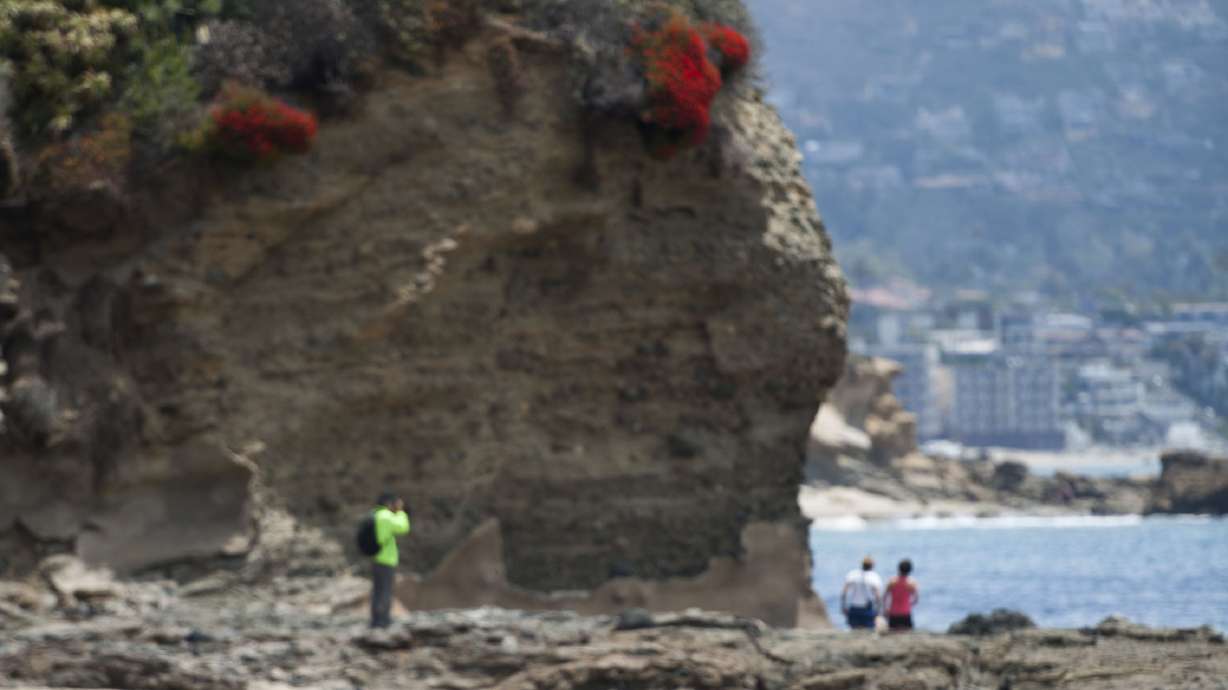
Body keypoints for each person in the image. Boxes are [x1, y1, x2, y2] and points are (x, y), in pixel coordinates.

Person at [370, 493, 411, 628]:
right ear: (388, 503)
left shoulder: (374, 515)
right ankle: (383, 620)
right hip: (386, 559)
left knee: (377, 591)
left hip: (376, 558)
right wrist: (401, 511)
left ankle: (376, 619)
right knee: (385, 591)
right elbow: (403, 527)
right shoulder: (386, 516)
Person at [841, 555, 883, 630]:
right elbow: (878, 596)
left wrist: (843, 606)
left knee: (854, 631)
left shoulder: (852, 574)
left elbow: (844, 592)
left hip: (854, 608)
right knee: (869, 631)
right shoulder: (874, 576)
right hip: (867, 608)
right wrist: (879, 611)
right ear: (872, 566)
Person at [883, 558, 919, 632]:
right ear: (910, 570)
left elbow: (884, 597)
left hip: (893, 612)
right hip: (905, 612)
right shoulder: (911, 584)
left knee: (892, 633)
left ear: (898, 569)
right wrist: (909, 604)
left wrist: (886, 609)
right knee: (908, 633)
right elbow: (916, 599)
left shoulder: (892, 582)